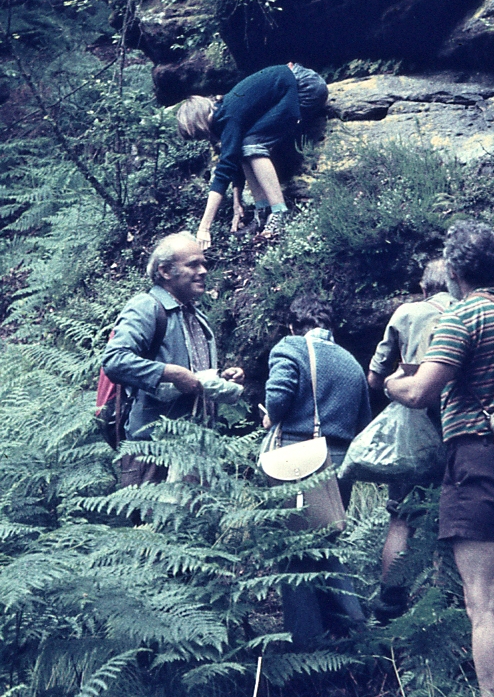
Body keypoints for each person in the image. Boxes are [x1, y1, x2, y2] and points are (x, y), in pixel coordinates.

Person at [385, 221, 494, 697]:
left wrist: (394, 383)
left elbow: (419, 393)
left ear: (455, 272)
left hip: (480, 462)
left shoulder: (465, 317)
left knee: (484, 604)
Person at [263, 293, 371, 647]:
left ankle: (310, 640)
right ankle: (344, 630)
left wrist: (270, 415)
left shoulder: (290, 347)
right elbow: (363, 421)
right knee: (324, 545)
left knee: (294, 552)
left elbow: (278, 398)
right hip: (338, 461)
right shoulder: (352, 363)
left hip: (298, 459)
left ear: (295, 326)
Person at [102, 232, 244, 491]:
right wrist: (169, 373)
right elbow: (114, 360)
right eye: (192, 264)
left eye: (204, 264)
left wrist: (222, 378)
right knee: (151, 529)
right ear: (165, 271)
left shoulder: (195, 314)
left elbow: (194, 377)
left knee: (190, 529)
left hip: (197, 448)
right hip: (154, 450)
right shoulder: (146, 307)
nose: (203, 271)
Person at [367, 259, 454, 620]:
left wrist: (397, 380)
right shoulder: (469, 310)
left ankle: (390, 602)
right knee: (450, 515)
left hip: (415, 429)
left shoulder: (407, 313)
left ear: (424, 288)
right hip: (457, 425)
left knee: (402, 516)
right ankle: (444, 605)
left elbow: (375, 377)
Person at [176, 64, 303, 245]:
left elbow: (224, 169)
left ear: (199, 124)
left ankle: (280, 213)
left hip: (303, 86)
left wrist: (204, 227)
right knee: (245, 146)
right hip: (287, 88)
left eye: (198, 135)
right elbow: (233, 158)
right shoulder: (221, 115)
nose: (201, 139)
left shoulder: (228, 116)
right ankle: (263, 212)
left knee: (252, 145)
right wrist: (237, 202)